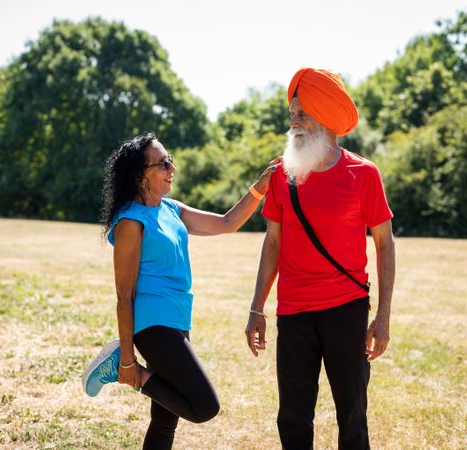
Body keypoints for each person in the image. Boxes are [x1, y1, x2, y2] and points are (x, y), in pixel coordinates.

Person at [81, 132, 277, 449]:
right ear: (139, 175)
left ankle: (130, 373)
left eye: (170, 160)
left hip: (177, 321)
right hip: (153, 325)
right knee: (203, 406)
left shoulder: (172, 210)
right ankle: (120, 370)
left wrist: (261, 186)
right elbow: (124, 294)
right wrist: (129, 360)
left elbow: (227, 222)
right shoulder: (131, 221)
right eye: (163, 163)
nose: (172, 168)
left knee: (164, 421)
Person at [244, 68, 396, 449]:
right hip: (293, 312)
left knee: (352, 414)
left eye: (301, 114)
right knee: (293, 417)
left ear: (325, 118)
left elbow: (384, 243)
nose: (293, 122)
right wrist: (256, 308)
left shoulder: (364, 174)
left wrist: (382, 316)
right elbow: (273, 243)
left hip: (346, 309)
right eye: (292, 114)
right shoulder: (281, 175)